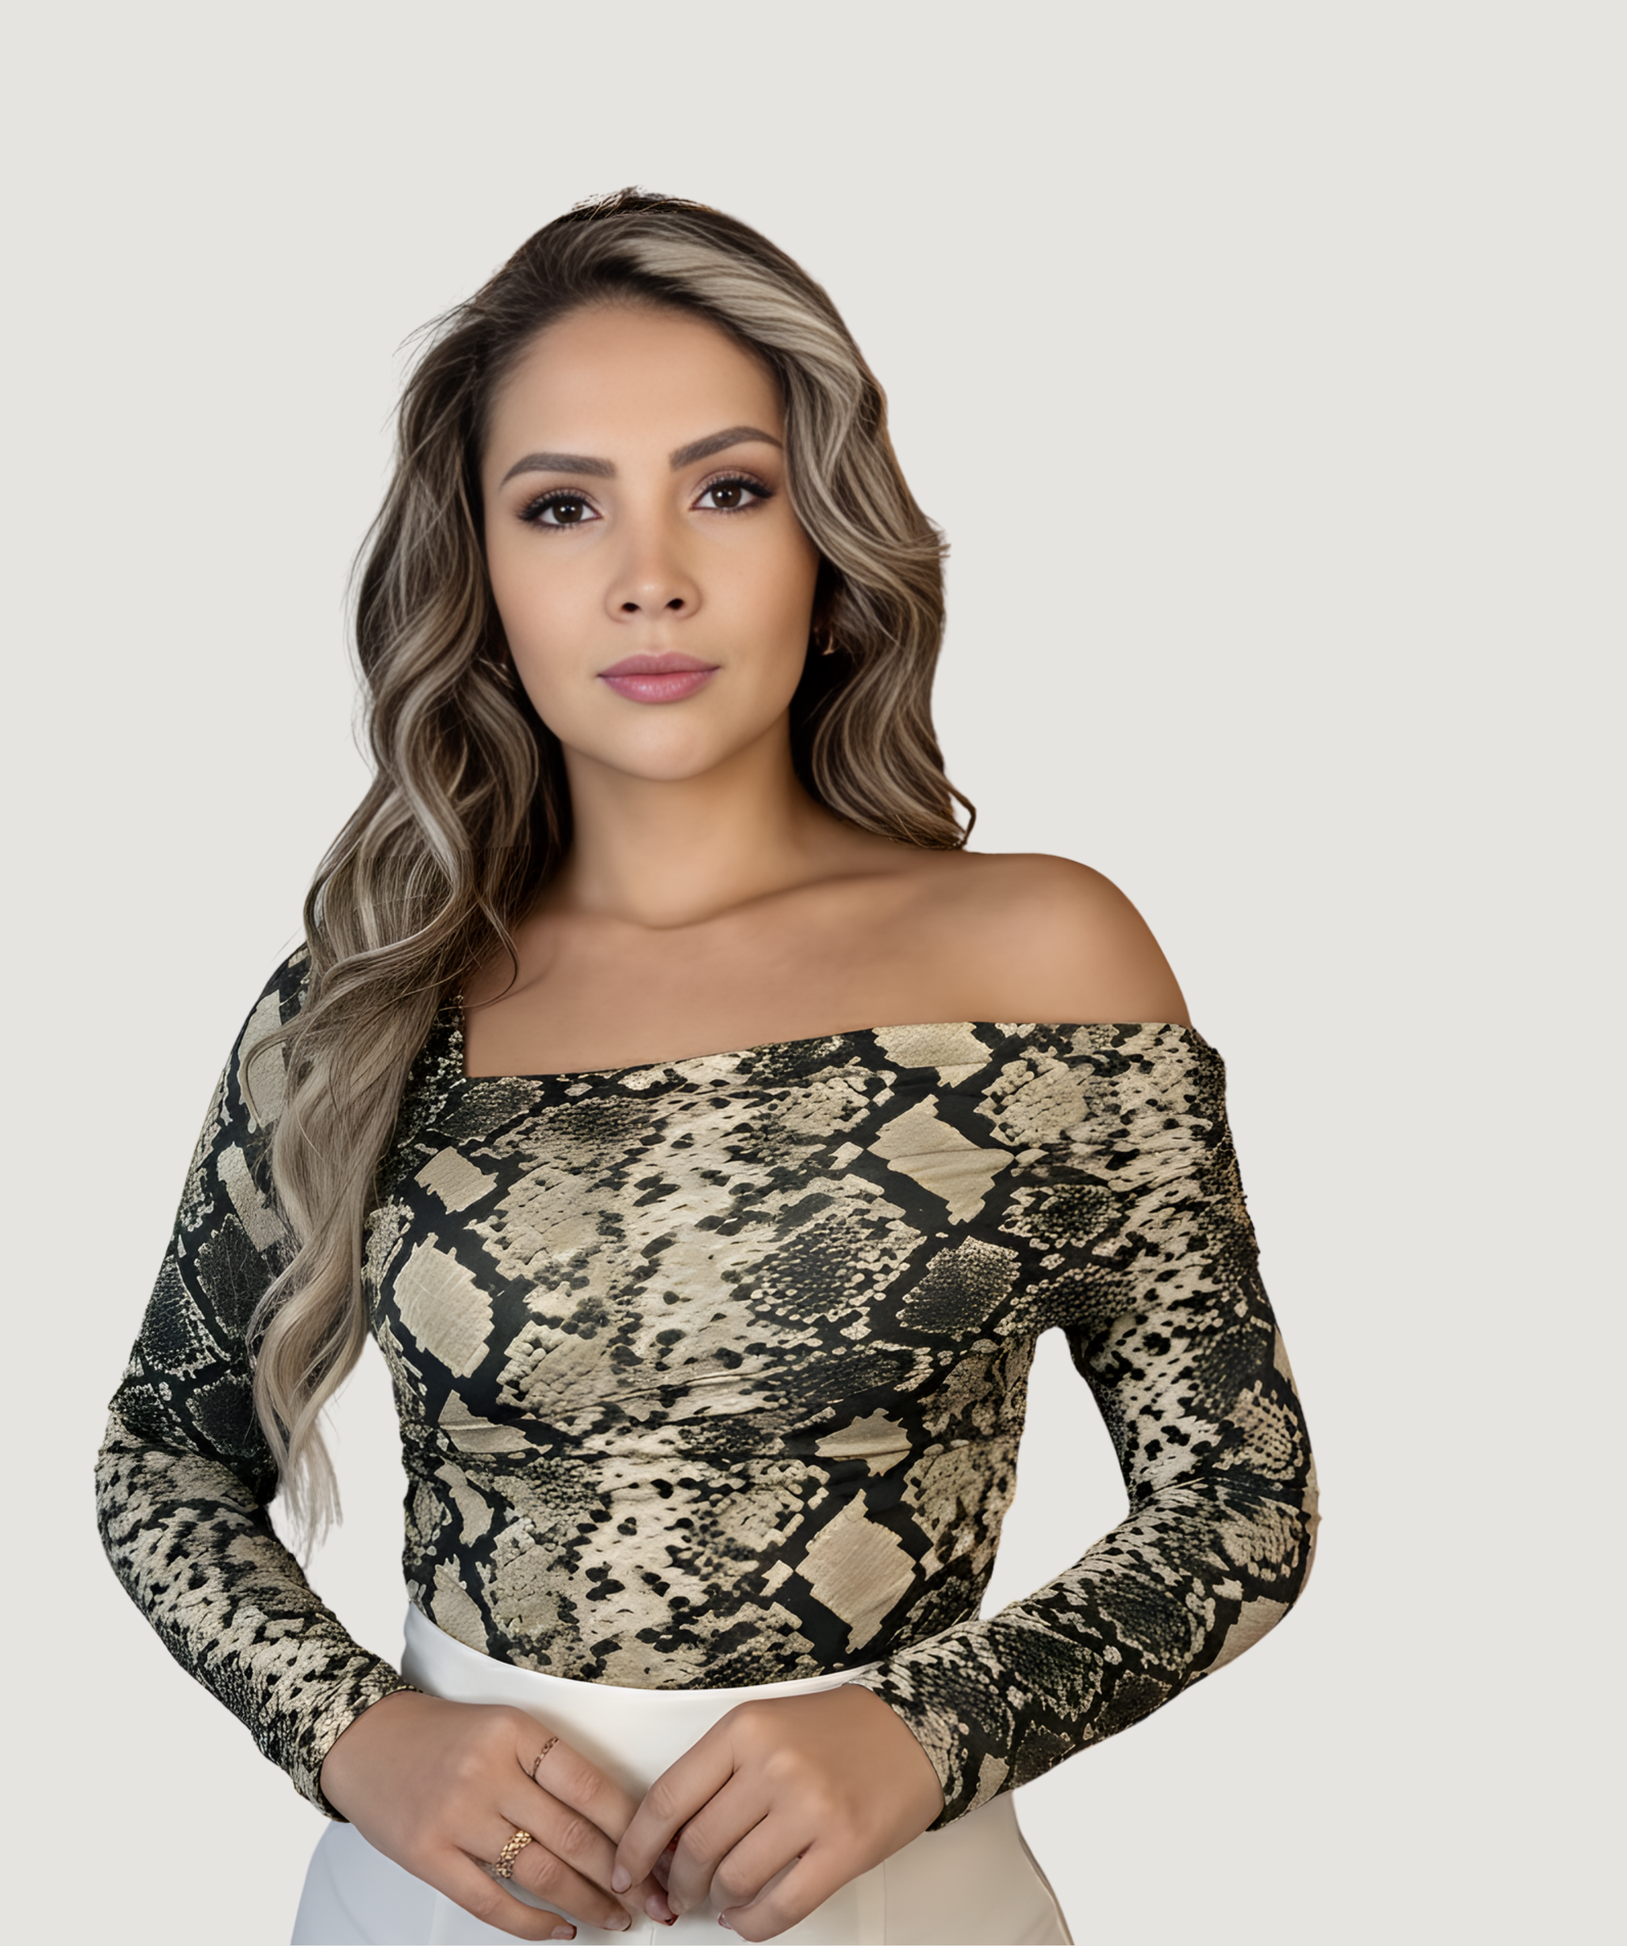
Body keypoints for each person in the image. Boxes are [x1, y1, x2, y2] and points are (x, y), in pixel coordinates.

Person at [94, 190, 1316, 1946]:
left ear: (827, 535)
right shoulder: (365, 998)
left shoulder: (1044, 955)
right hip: (437, 1910)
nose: (648, 573)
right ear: (478, 574)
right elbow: (165, 1450)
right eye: (561, 505)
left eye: (727, 489)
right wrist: (355, 1735)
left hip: (903, 1907)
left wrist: (927, 1730)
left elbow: (1237, 1502)